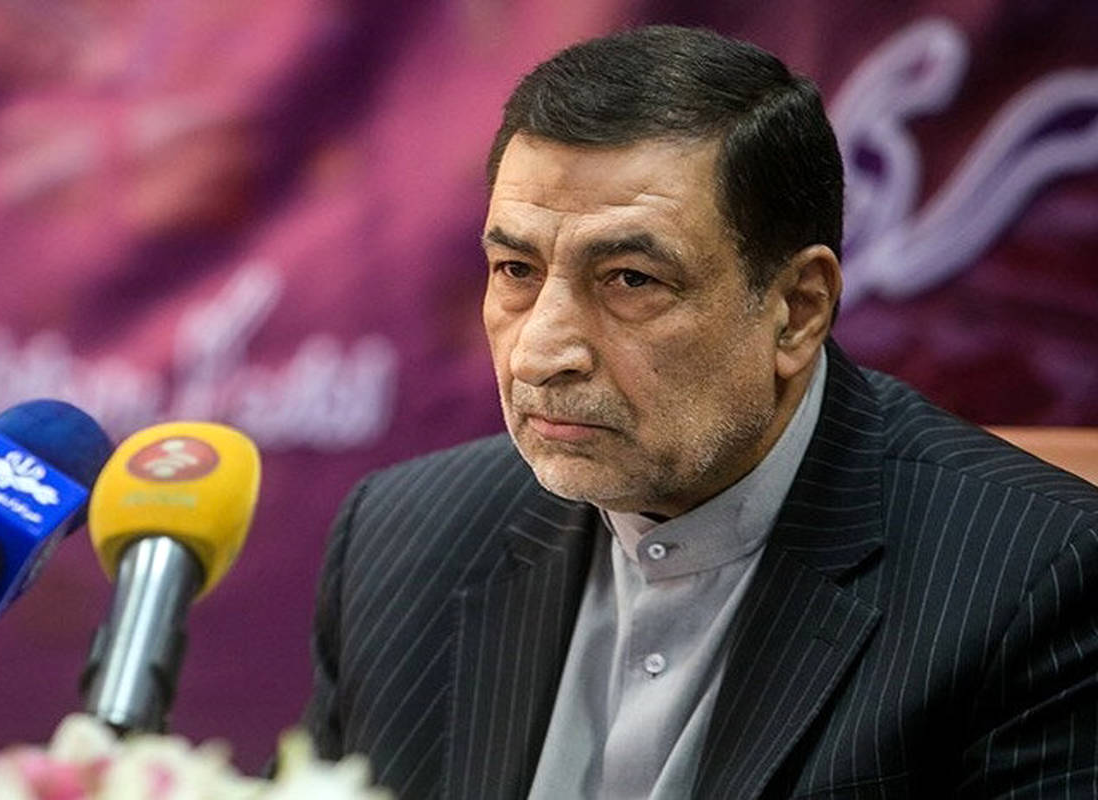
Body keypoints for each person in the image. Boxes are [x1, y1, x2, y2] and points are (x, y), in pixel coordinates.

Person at [304, 25, 1098, 799]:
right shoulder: (400, 539)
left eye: (631, 280)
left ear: (797, 309)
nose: (541, 353)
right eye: (516, 269)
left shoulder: (1036, 582)